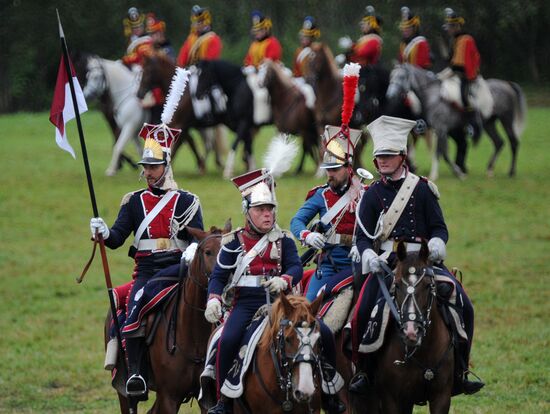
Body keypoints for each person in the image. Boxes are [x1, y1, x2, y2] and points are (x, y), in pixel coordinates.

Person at [348, 115, 484, 396]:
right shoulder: (372, 196)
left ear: (402, 156)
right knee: (361, 312)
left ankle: (460, 370)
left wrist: (436, 242)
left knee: (464, 304)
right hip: (388, 264)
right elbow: (362, 237)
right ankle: (364, 372)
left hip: (424, 262)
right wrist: (368, 256)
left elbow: (439, 227)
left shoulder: (422, 188)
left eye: (387, 156)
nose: (382, 161)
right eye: (378, 157)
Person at [205, 167, 345, 414]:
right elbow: (218, 276)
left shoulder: (284, 238)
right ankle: (223, 402)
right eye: (260, 209)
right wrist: (214, 300)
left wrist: (285, 279)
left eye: (270, 209)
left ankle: (330, 394)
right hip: (247, 303)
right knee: (227, 340)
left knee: (322, 331)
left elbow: (295, 267)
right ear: (247, 213)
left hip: (284, 303)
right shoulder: (233, 242)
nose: (267, 214)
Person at [90, 123, 203, 397]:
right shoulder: (133, 202)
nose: (148, 172)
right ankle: (137, 373)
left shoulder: (188, 201)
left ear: (166, 165)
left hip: (179, 268)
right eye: (146, 166)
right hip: (147, 271)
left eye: (154, 166)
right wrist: (103, 231)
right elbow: (117, 238)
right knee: (133, 312)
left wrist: (191, 251)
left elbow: (199, 240)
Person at [290, 125, 364, 301]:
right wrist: (307, 235)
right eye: (327, 169)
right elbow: (296, 221)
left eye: (335, 169)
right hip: (329, 264)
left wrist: (362, 246)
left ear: (348, 168)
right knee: (308, 309)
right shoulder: (320, 195)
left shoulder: (366, 194)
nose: (329, 174)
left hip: (361, 264)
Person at [443, 7, 482, 141]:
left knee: (463, 96)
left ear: (457, 26)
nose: (448, 29)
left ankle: (473, 124)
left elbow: (459, 64)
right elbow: (451, 60)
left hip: (466, 75)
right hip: (456, 73)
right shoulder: (455, 40)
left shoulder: (466, 39)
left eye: (451, 27)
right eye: (448, 26)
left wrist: (448, 73)